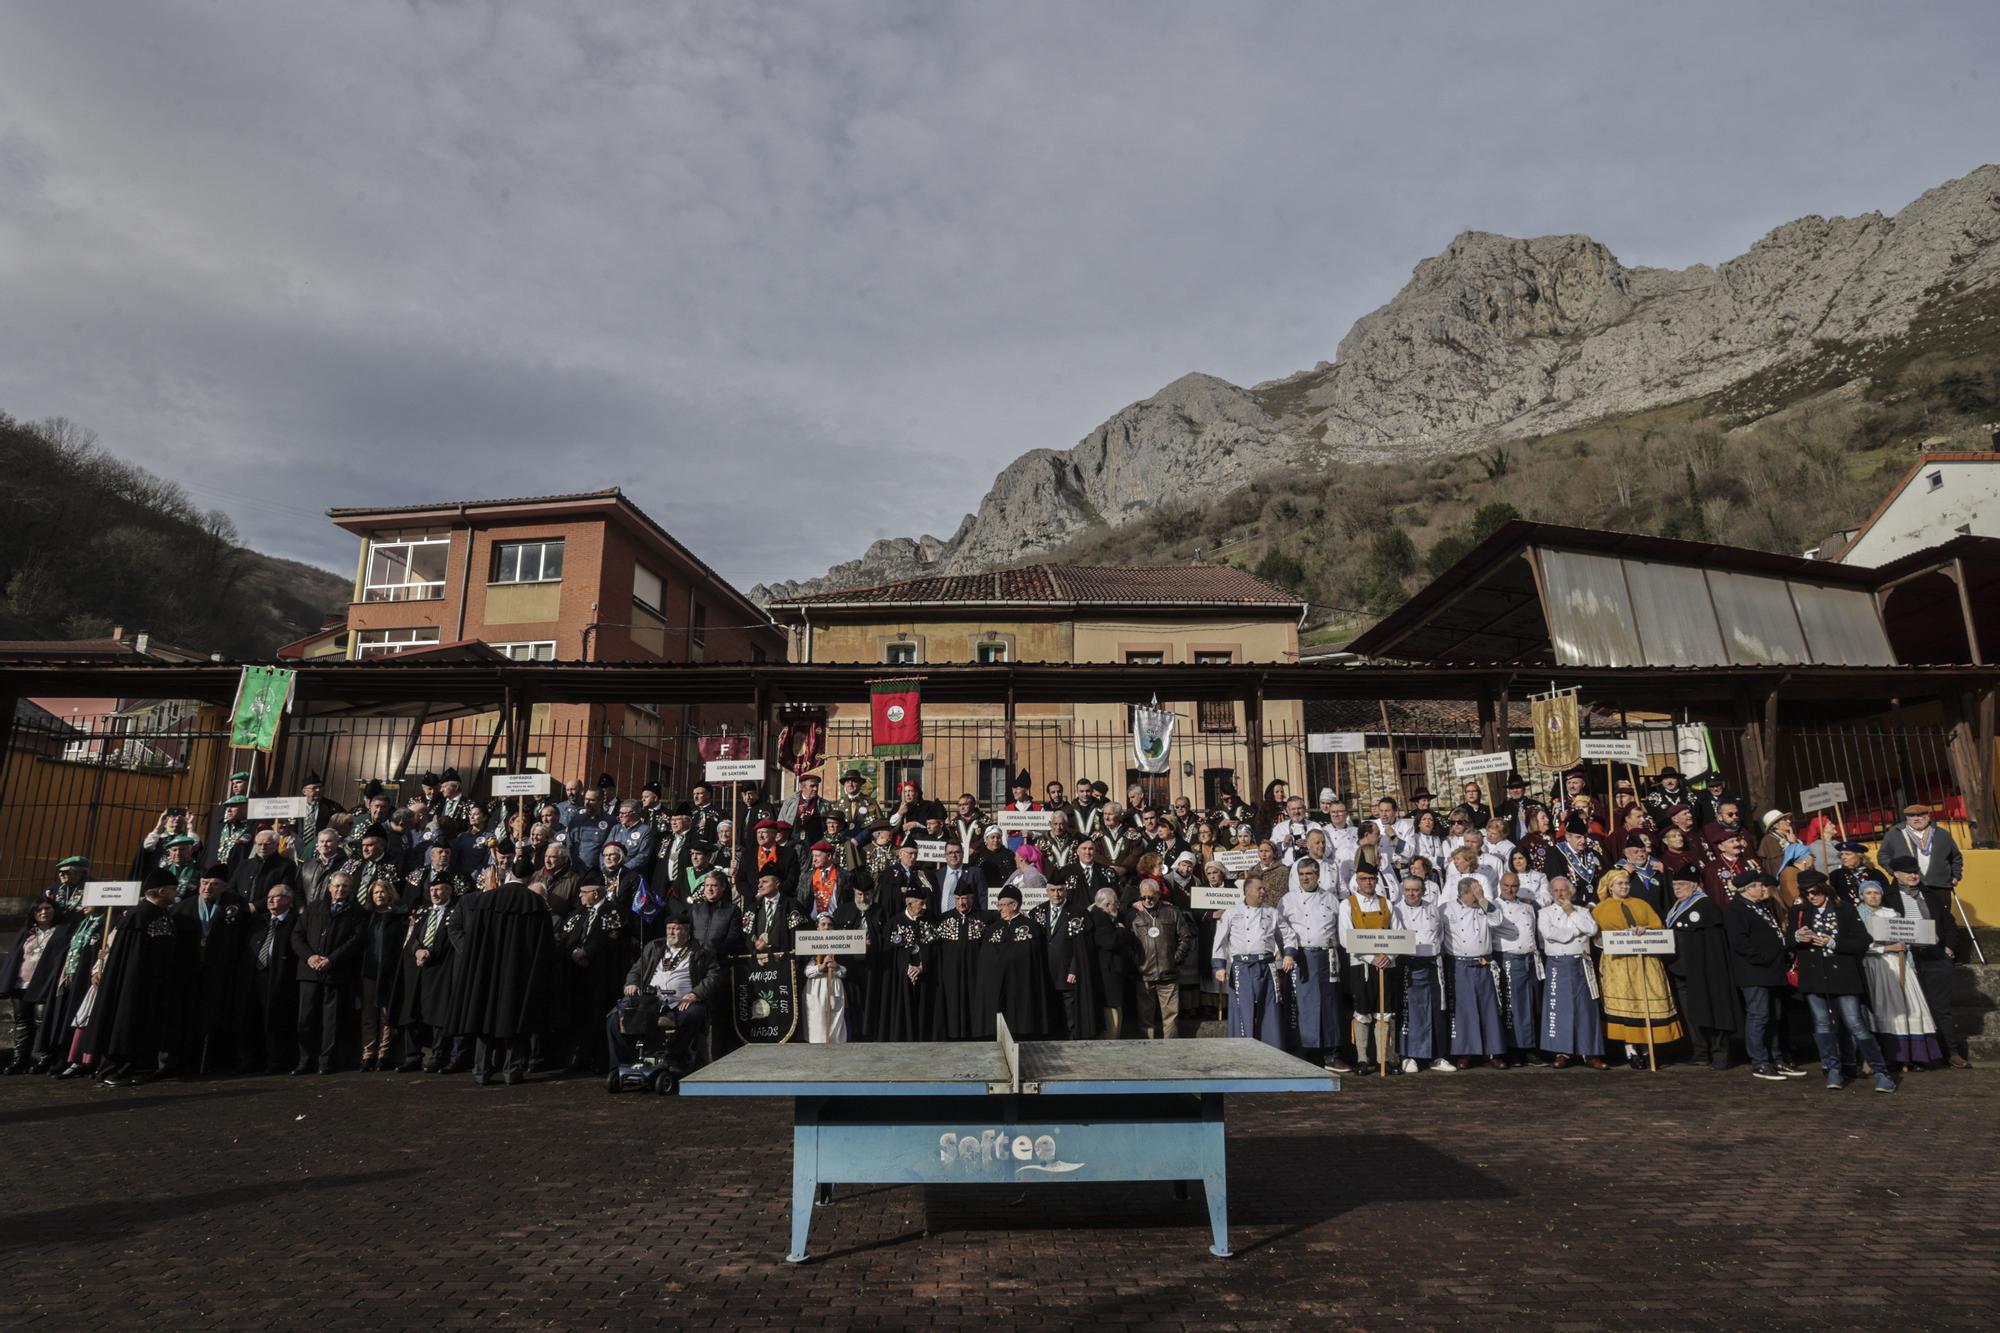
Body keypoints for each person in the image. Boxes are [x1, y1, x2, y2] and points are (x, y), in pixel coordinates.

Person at [447, 870, 557, 1085]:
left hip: (486, 972)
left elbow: (473, 939)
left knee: (483, 1018)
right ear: (526, 880)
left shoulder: (486, 899)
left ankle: (481, 1070)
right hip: (519, 973)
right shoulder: (535, 903)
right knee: (516, 1020)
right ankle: (512, 1070)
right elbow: (544, 947)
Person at [1789, 873, 1897, 1092]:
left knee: (1855, 1022)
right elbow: (1786, 940)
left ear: (1824, 889)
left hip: (1843, 976)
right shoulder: (1799, 912)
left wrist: (1833, 942)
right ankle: (1832, 1069)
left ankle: (1881, 1072)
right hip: (1814, 976)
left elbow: (1863, 941)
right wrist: (1796, 938)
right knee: (1821, 1023)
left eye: (1815, 892)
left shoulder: (1844, 909)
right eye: (1807, 893)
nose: (1812, 897)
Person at [82, 870, 188, 1086]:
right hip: (134, 984)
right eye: (173, 890)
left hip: (155, 985)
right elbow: (131, 957)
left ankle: (139, 1068)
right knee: (125, 1022)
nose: (175, 894)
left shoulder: (162, 913)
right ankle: (114, 1070)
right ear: (161, 891)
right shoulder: (138, 916)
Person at [1880, 854, 1972, 1068]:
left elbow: (1949, 923)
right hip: (1906, 959)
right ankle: (1920, 1056)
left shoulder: (1929, 894)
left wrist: (1948, 948)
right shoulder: (1887, 897)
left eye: (1915, 871)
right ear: (1896, 874)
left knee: (1941, 1008)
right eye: (1908, 872)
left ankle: (1951, 1052)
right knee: (1913, 1008)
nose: (1913, 875)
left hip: (1935, 957)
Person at [1589, 869, 1682, 1069]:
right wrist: (1620, 936)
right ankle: (1631, 1050)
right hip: (1618, 964)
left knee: (1645, 1002)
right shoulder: (1601, 909)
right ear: (1611, 887)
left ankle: (1648, 1050)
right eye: (1620, 883)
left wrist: (1645, 930)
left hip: (1645, 962)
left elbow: (1659, 928)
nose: (1624, 887)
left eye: (1626, 883)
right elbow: (1596, 939)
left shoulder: (1641, 905)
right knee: (1627, 1005)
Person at [610, 916, 719, 1077]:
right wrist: (631, 983)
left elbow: (714, 975)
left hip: (682, 1001)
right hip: (651, 1001)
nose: (671, 932)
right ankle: (620, 1064)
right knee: (614, 1018)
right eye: (669, 929)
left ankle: (674, 1057)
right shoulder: (654, 947)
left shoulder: (701, 950)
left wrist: (696, 993)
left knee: (694, 1014)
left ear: (686, 931)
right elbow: (636, 971)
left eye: (676, 928)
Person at [1725, 872, 1807, 1082]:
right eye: (1760, 886)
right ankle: (1760, 1061)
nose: (1764, 889)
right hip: (1755, 971)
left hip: (1773, 970)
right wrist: (1763, 957)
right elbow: (1740, 942)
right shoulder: (1736, 909)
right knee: (1759, 1015)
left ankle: (1776, 1058)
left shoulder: (1761, 906)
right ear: (1748, 888)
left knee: (1775, 1016)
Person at [1854, 882, 1944, 1073]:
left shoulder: (1892, 914)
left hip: (1901, 963)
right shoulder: (1858, 916)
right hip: (1878, 965)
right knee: (1885, 1008)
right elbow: (1859, 945)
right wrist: (1887, 948)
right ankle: (1889, 1056)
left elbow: (1909, 936)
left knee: (1910, 1006)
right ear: (1862, 896)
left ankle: (1913, 1056)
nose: (1873, 897)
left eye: (1876, 893)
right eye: (1868, 893)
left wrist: (1905, 945)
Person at [172, 864, 253, 1075]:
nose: (208, 887)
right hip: (188, 973)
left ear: (224, 887)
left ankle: (210, 1062)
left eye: (214, 884)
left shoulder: (235, 907)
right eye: (205, 883)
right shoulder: (183, 908)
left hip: (220, 974)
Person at [1662, 865, 1740, 1070]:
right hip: (1682, 969)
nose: (1677, 889)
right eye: (1675, 885)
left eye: (1681, 885)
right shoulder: (1677, 907)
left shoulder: (1705, 907)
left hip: (1706, 970)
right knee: (1692, 1014)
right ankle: (1700, 1051)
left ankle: (1719, 1053)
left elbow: (1713, 944)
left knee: (1713, 1010)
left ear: (1694, 885)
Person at [292, 870, 365, 1075]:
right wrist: (310, 957)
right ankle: (305, 1060)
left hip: (335, 972)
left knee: (330, 1020)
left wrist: (331, 960)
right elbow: (297, 935)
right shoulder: (314, 907)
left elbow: (355, 941)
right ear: (329, 887)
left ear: (350, 890)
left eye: (345, 886)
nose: (340, 889)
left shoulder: (356, 912)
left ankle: (325, 1061)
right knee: (305, 1019)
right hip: (309, 972)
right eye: (337, 885)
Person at [1279, 856, 1349, 1070]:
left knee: (1330, 1005)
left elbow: (1340, 929)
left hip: (1327, 957)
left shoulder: (1330, 899)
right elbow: (1279, 930)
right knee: (1302, 1005)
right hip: (1300, 957)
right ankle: (1302, 1051)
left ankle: (1331, 1053)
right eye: (1301, 874)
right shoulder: (1287, 900)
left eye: (1309, 874)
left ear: (1318, 875)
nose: (1305, 878)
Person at [1211, 874, 1295, 1050]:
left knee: (1270, 1008)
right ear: (1247, 890)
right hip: (1241, 967)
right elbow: (1220, 941)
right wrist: (1219, 966)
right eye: (1260, 888)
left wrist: (1288, 954)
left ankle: (1272, 1049)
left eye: (1263, 888)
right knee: (1242, 1009)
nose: (1263, 891)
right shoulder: (1232, 913)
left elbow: (1288, 935)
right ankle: (1241, 1049)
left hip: (1266, 966)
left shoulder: (1272, 913)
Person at [1537, 876, 1608, 1070]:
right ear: (1551, 894)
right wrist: (1576, 932)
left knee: (1586, 1009)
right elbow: (1550, 933)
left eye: (1564, 890)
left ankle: (1589, 1053)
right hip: (1558, 964)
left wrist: (1572, 913)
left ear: (1571, 891)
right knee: (1559, 1010)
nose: (1560, 894)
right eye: (1556, 891)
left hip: (1581, 964)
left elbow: (1592, 929)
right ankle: (1562, 1052)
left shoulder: (1583, 911)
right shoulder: (1544, 913)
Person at [388, 877, 458, 1073]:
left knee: (438, 1013)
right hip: (416, 968)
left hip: (439, 969)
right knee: (411, 1010)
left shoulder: (455, 912)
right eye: (432, 889)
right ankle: (412, 1055)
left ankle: (438, 1055)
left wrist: (430, 953)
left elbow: (451, 939)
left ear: (449, 891)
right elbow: (411, 937)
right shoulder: (421, 911)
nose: (434, 893)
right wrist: (417, 949)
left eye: (439, 889)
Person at [2, 897, 73, 1074]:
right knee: (22, 1023)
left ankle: (46, 1058)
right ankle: (20, 1060)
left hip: (43, 986)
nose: (43, 912)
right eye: (39, 910)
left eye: (47, 908)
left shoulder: (61, 933)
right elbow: (15, 957)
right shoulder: (27, 932)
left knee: (42, 1022)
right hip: (21, 985)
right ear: (33, 914)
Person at [1443, 876, 1506, 1070]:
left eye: (1480, 892)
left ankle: (1493, 1052)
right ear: (1463, 893)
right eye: (1475, 893)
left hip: (1484, 962)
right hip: (1460, 964)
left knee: (1490, 1009)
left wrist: (1483, 899)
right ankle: (1465, 1052)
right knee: (1465, 1011)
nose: (1479, 896)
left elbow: (1497, 921)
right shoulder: (1446, 909)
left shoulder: (1486, 906)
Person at [1339, 866, 1398, 1072]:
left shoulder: (1386, 903)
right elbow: (1346, 938)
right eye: (1364, 879)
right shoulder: (1348, 905)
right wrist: (1371, 957)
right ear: (1357, 880)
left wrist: (1388, 956)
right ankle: (1362, 1059)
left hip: (1386, 965)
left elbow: (1398, 934)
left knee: (1384, 1012)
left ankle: (1384, 1059)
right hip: (1361, 965)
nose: (1368, 882)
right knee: (1362, 1011)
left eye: (1372, 878)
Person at [1390, 874, 1450, 1073]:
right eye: (1407, 890)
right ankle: (1409, 1056)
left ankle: (1436, 1056)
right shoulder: (1395, 909)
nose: (1411, 893)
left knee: (1435, 1010)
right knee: (1411, 1011)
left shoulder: (1432, 908)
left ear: (1423, 891)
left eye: (1415, 889)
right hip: (1407, 964)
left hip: (1432, 963)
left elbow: (1439, 933)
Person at [239, 885, 301, 1075]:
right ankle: (249, 1061)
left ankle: (276, 1061)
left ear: (289, 900)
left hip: (279, 978)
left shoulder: (295, 923)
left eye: (276, 897)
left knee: (274, 1021)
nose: (270, 900)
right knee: (251, 1019)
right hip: (255, 976)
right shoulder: (260, 921)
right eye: (269, 897)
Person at [977, 885, 1051, 1039]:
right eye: (999, 905)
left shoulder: (1031, 928)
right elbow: (986, 958)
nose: (1000, 909)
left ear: (1015, 905)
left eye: (1003, 905)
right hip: (996, 985)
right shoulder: (993, 929)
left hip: (1020, 984)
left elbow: (1032, 958)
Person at [1032, 875, 1099, 1039]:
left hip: (1067, 972)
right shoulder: (1038, 912)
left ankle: (1071, 1041)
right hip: (1045, 972)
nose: (1056, 894)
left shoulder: (1078, 913)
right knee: (1049, 1010)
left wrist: (1074, 969)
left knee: (1070, 1012)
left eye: (1060, 890)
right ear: (1047, 891)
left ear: (1066, 891)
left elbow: (1083, 947)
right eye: (1053, 890)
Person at [1126, 876, 1190, 1040]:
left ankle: (1171, 1049)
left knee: (1171, 1017)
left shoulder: (1172, 912)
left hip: (1168, 973)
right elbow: (1127, 942)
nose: (1147, 900)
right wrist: (1136, 961)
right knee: (1145, 1017)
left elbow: (1185, 938)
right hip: (1144, 973)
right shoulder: (1134, 916)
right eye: (1143, 897)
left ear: (1158, 894)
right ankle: (1148, 1049)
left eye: (1151, 896)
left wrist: (1175, 959)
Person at [1491, 873, 1543, 1067]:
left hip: (1530, 959)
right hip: (1508, 958)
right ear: (1500, 885)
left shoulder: (1528, 907)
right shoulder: (1494, 907)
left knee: (1530, 1005)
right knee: (1513, 1005)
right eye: (1506, 885)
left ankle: (1529, 1048)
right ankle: (1513, 1049)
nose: (1510, 889)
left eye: (1514, 886)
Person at [929, 882, 991, 1041]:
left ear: (973, 898)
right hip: (950, 975)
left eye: (965, 898)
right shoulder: (943, 919)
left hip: (975, 974)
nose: (961, 903)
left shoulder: (985, 919)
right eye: (958, 898)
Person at [358, 879, 408, 1071]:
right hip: (368, 971)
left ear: (390, 894)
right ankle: (367, 1054)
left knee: (386, 1016)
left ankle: (383, 1054)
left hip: (389, 973)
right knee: (368, 1015)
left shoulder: (399, 918)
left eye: (383, 892)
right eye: (376, 892)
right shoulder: (367, 917)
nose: (379, 895)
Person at [875, 886, 935, 1041]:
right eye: (921, 904)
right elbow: (889, 954)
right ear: (909, 905)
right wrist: (905, 967)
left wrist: (923, 966)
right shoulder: (894, 923)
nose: (925, 907)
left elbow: (935, 950)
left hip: (925, 979)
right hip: (900, 980)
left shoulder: (929, 921)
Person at [1086, 886, 1139, 1040]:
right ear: (1107, 905)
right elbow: (1109, 942)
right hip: (1107, 971)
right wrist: (1122, 931)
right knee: (1111, 1007)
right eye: (1116, 902)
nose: (1118, 906)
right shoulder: (1098, 918)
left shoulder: (1104, 916)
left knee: (1115, 1005)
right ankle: (1111, 1038)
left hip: (1111, 970)